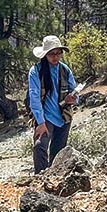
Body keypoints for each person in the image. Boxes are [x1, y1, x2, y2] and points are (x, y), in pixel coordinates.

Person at [28, 35, 79, 173]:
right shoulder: (36, 71)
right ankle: (40, 178)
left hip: (64, 117)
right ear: (45, 55)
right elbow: (34, 98)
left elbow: (74, 91)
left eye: (58, 53)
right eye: (51, 54)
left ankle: (54, 181)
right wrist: (40, 122)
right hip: (44, 117)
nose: (55, 57)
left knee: (58, 153)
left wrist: (73, 99)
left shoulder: (65, 70)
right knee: (39, 147)